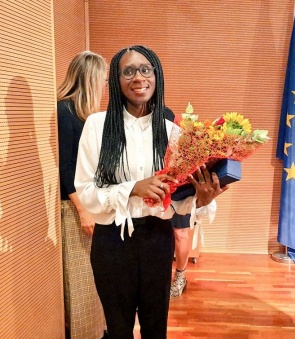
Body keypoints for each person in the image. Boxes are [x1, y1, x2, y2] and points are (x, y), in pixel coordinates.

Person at [75, 45, 224, 338]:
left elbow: (178, 201)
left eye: (145, 69)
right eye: (127, 71)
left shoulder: (173, 132)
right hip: (112, 242)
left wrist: (200, 199)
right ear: (116, 81)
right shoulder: (97, 126)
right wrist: (132, 188)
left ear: (156, 75)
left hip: (158, 238)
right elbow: (87, 192)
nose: (138, 77)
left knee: (156, 328)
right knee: (118, 329)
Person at [57, 51, 108, 339]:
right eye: (102, 80)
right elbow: (66, 169)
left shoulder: (84, 114)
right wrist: (83, 211)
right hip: (76, 208)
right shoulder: (65, 112)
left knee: (95, 277)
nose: (104, 87)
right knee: (81, 280)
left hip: (92, 204)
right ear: (89, 79)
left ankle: (98, 330)